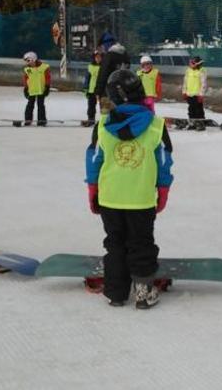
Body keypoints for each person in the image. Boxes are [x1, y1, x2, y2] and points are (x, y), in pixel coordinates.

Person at [85, 70, 174, 309]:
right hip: (141, 198)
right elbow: (164, 162)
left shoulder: (103, 125)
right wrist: (163, 189)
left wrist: (93, 189)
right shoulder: (156, 125)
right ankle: (143, 293)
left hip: (110, 197)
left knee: (115, 243)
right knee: (141, 243)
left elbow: (94, 159)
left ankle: (116, 293)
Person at [22, 51, 50, 126]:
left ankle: (41, 120)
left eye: (28, 61)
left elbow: (47, 77)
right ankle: (28, 119)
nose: (27, 63)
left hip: (41, 90)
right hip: (32, 90)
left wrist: (47, 87)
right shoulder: (27, 69)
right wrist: (25, 88)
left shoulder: (44, 67)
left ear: (33, 59)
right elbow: (25, 79)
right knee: (30, 105)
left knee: (41, 105)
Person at [182, 56, 207, 122]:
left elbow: (203, 84)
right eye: (190, 63)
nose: (190, 64)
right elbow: (185, 82)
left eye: (192, 63)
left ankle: (201, 121)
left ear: (197, 64)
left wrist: (201, 95)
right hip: (189, 94)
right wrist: (184, 92)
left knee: (198, 109)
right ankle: (192, 121)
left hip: (197, 95)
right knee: (191, 109)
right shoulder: (188, 71)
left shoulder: (201, 71)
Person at [83, 48, 104, 126]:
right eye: (96, 57)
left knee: (103, 106)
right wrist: (86, 88)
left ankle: (104, 121)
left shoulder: (104, 67)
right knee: (91, 106)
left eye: (99, 57)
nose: (98, 59)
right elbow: (87, 78)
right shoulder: (90, 66)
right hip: (92, 90)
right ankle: (91, 120)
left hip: (101, 90)